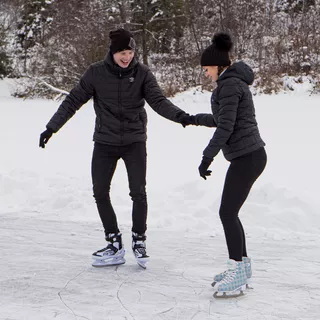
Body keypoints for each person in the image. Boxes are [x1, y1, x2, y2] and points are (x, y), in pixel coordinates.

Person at [39, 28, 190, 268]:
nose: (127, 57)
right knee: (100, 191)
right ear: (112, 52)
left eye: (130, 52)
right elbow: (73, 100)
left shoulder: (142, 73)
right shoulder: (96, 73)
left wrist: (182, 117)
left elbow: (159, 102)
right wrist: (52, 128)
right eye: (122, 52)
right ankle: (114, 242)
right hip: (105, 142)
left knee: (138, 192)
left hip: (134, 141)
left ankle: (139, 240)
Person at [186, 32, 267, 296]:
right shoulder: (231, 84)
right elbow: (222, 118)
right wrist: (193, 119)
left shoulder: (230, 85)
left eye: (207, 69)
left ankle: (237, 269)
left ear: (219, 66)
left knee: (227, 213)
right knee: (230, 212)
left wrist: (207, 156)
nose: (206, 73)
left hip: (248, 157)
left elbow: (226, 126)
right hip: (249, 155)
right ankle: (242, 268)